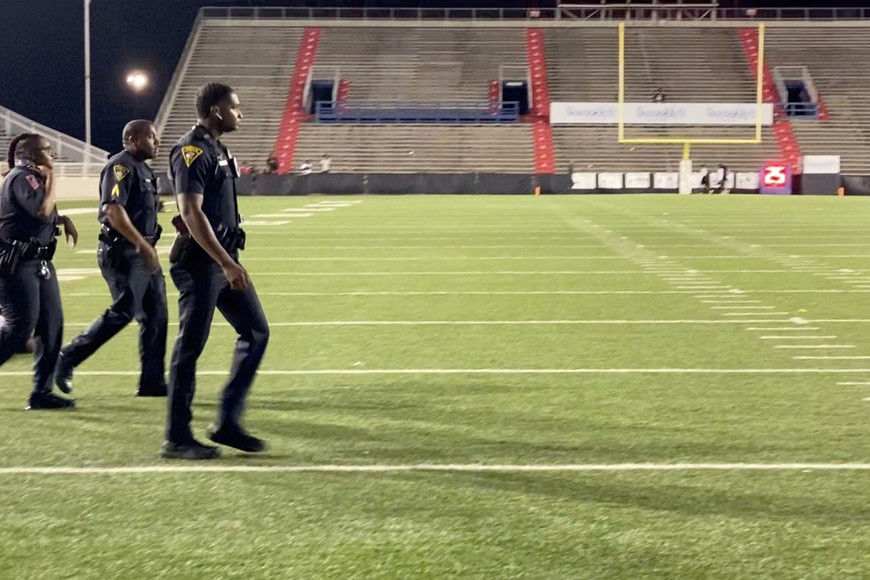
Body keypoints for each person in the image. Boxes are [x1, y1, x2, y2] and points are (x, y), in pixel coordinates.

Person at [163, 83, 269, 460]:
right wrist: (226, 263)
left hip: (223, 258)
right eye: (234, 108)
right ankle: (176, 438)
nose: (240, 113)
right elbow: (191, 212)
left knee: (256, 332)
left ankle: (227, 421)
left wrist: (229, 259)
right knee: (190, 348)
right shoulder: (191, 149)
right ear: (215, 111)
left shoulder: (216, 149)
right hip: (202, 263)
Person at [54, 121, 168, 398]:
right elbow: (112, 210)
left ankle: (152, 382)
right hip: (124, 252)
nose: (157, 141)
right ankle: (67, 357)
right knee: (124, 311)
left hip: (143, 252)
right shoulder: (121, 166)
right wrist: (142, 244)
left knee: (157, 315)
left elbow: (140, 208)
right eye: (151, 137)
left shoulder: (144, 168)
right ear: (133, 139)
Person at [0, 133, 78, 409]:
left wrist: (64, 219)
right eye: (47, 150)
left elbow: (42, 214)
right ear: (31, 155)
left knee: (51, 326)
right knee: (18, 331)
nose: (52, 155)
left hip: (40, 264)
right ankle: (41, 391)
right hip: (18, 266)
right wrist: (53, 177)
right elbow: (41, 210)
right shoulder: (23, 177)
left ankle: (41, 393)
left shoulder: (28, 177)